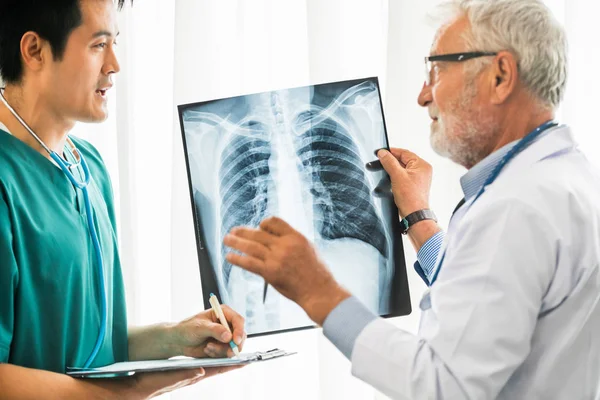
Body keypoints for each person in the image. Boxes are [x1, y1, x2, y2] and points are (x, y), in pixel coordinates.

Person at [224, 0, 600, 399]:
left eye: (437, 70)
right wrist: (419, 218)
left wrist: (319, 292)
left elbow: (443, 385)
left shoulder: (516, 208)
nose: (423, 95)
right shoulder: (562, 179)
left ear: (500, 76)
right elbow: (489, 314)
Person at [0, 0, 246, 398]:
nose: (114, 65)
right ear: (34, 51)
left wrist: (175, 338)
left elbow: (92, 343)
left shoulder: (90, 168)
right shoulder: (4, 180)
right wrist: (122, 395)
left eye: (115, 43)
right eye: (98, 45)